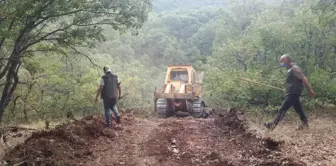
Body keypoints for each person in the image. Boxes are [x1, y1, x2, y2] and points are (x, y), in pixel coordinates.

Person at [264, 54, 316, 130]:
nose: (281, 62)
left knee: (283, 108)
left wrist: (310, 91)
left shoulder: (295, 68)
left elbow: (304, 79)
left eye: (282, 60)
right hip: (292, 92)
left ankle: (272, 125)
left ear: (288, 60)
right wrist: (287, 89)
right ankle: (305, 124)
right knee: (299, 109)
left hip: (294, 92)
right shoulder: (290, 69)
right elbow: (293, 82)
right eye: (280, 61)